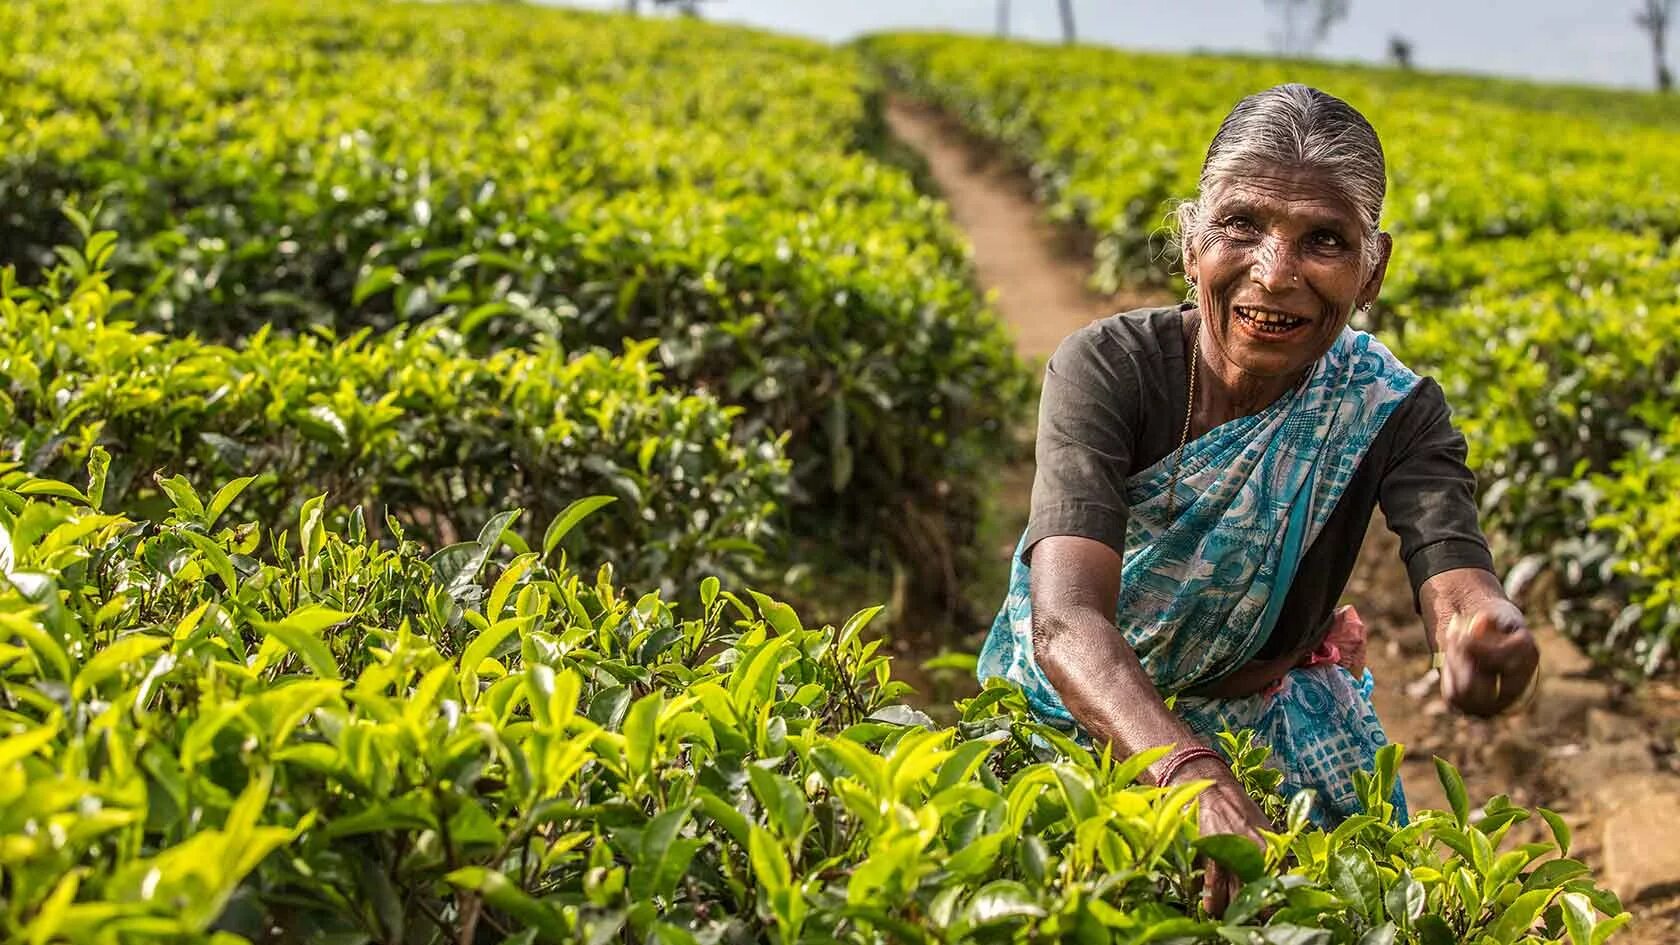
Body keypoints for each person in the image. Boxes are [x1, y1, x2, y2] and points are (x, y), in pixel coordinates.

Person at [977, 83, 1539, 913]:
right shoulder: (1108, 369)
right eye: (1242, 225)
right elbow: (1067, 620)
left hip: (1273, 740)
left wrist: (1485, 636)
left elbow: (1456, 576)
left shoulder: (1388, 408)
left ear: (1372, 268)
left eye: (1323, 240)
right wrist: (1186, 769)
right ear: (1191, 239)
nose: (1275, 275)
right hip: (1081, 718)